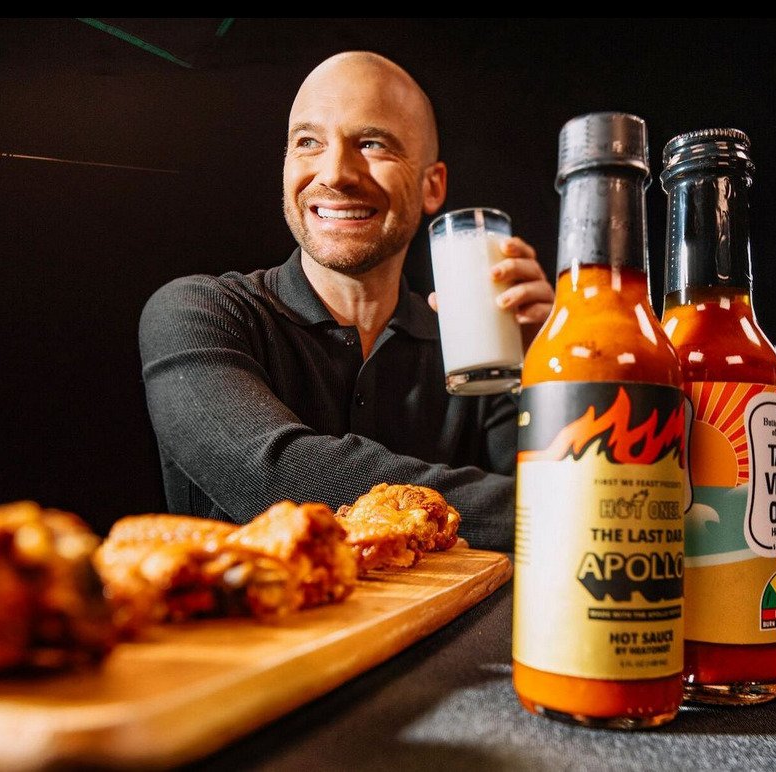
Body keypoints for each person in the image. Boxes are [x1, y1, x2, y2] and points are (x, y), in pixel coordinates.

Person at [139, 51, 554, 551]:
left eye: (372, 143)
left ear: (432, 186)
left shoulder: (473, 348)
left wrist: (551, 369)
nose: (335, 173)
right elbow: (281, 480)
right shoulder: (199, 313)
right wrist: (554, 513)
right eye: (308, 142)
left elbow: (582, 494)